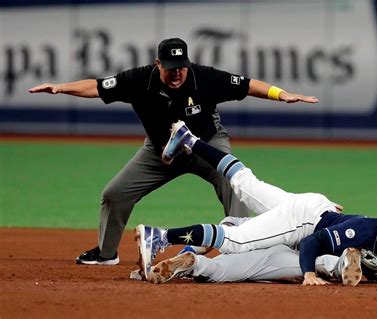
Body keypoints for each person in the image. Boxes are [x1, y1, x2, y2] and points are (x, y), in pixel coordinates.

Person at [28, 38, 319, 265]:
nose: (177, 73)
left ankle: (242, 250)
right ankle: (106, 254)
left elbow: (245, 84)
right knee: (115, 193)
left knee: (235, 184)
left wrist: (280, 94)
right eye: (170, 67)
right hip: (160, 152)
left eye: (181, 66)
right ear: (158, 64)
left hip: (206, 146)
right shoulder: (139, 80)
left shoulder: (203, 77)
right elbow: (97, 86)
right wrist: (60, 87)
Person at [134, 120, 377, 285]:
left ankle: (189, 139)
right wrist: (309, 274)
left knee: (245, 184)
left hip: (312, 208)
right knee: (236, 241)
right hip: (304, 221)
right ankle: (159, 236)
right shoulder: (365, 231)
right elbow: (314, 242)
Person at [131, 216, 365, 286]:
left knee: (215, 266)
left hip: (244, 240)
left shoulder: (249, 220)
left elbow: (221, 230)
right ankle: (341, 262)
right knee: (311, 263)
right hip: (279, 251)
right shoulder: (289, 216)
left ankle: (192, 262)